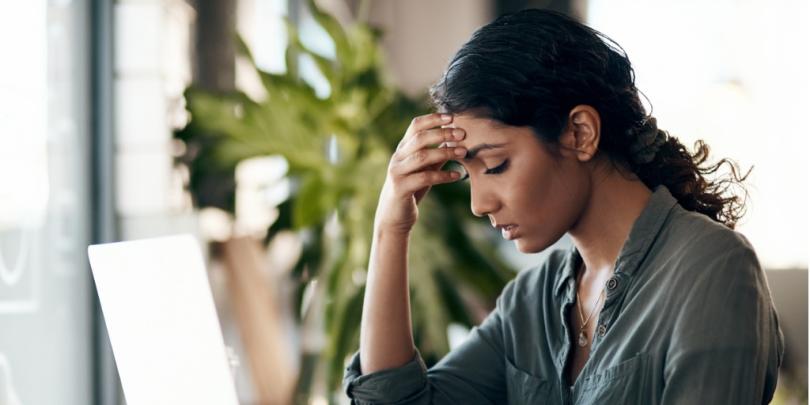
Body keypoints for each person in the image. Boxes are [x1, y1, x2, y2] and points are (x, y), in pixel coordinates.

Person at [342, 9, 783, 404]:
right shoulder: (530, 303)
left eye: (495, 165)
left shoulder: (713, 268)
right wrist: (390, 227)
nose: (479, 204)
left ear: (579, 133)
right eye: (467, 172)